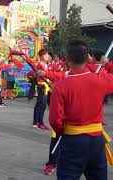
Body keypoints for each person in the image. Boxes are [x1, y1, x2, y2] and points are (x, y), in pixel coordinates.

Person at [49, 39, 113, 180]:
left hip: (73, 140)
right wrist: (107, 64)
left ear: (67, 59)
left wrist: (63, 131)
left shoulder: (61, 86)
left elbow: (55, 120)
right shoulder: (100, 79)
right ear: (87, 58)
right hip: (97, 140)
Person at [33, 49, 50, 130]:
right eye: (46, 55)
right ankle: (40, 123)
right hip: (42, 86)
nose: (47, 56)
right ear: (41, 56)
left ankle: (35, 121)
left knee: (38, 104)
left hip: (43, 86)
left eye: (47, 55)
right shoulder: (41, 65)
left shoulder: (44, 64)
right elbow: (45, 75)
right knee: (42, 105)